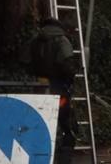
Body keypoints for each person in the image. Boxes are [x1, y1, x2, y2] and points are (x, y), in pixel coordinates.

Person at [20, 17, 78, 164]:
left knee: (39, 127)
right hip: (59, 93)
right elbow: (66, 65)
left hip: (37, 92)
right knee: (68, 129)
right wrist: (71, 76)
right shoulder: (62, 41)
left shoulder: (33, 40)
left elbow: (24, 62)